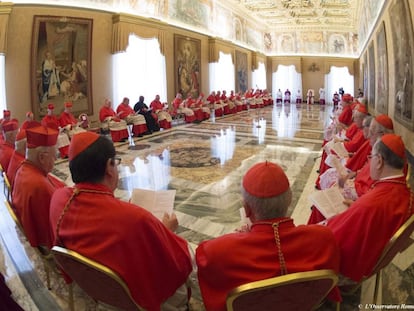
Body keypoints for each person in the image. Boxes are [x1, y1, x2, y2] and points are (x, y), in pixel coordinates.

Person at [49, 132, 193, 311]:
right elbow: (178, 261)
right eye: (115, 162)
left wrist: (123, 208)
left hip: (96, 287)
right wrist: (167, 231)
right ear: (109, 167)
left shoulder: (59, 197)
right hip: (136, 298)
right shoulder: (135, 219)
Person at [195, 161, 340, 311]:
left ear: (246, 209)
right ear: (289, 200)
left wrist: (239, 240)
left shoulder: (217, 251)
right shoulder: (323, 237)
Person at [326, 134, 413, 283]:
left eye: (371, 157)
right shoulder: (406, 193)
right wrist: (356, 209)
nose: (370, 161)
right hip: (373, 258)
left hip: (345, 267)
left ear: (379, 161)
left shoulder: (371, 203)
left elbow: (334, 239)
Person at [12, 125, 61, 249]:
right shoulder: (39, 186)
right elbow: (56, 228)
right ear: (42, 157)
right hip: (47, 246)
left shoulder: (23, 169)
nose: (56, 158)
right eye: (54, 154)